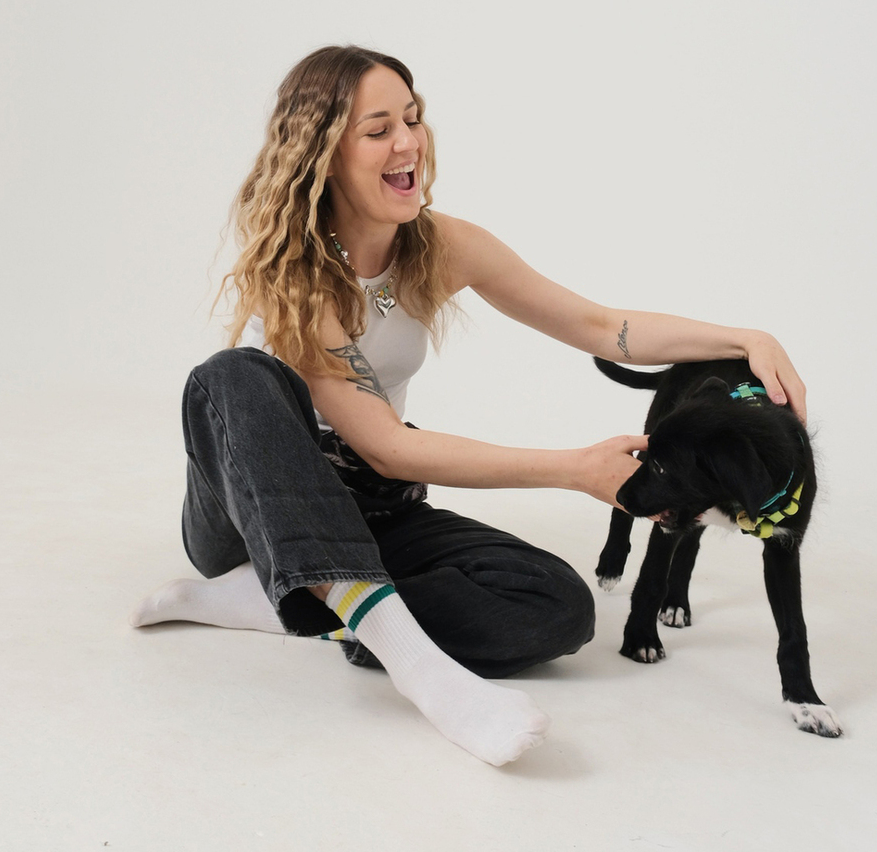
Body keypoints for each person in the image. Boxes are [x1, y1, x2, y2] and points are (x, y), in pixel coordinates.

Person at [130, 45, 807, 766]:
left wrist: (745, 338)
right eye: (378, 129)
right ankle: (423, 672)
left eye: (412, 118)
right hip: (247, 515)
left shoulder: (440, 245)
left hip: (371, 506)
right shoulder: (295, 271)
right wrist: (575, 469)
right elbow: (387, 443)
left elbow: (598, 326)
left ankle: (287, 599)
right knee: (233, 375)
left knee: (558, 606)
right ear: (322, 155)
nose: (408, 143)